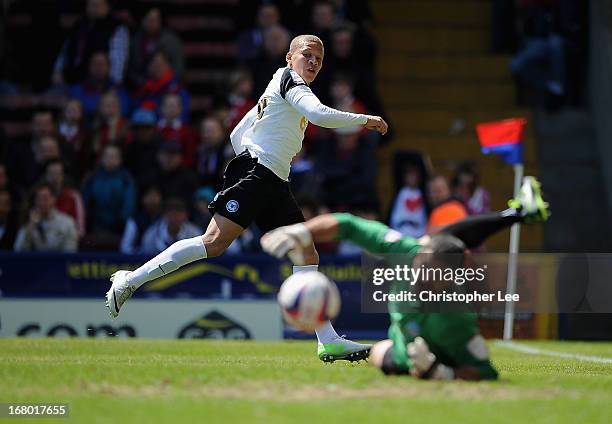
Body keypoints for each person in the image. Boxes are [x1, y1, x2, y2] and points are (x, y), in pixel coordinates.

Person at [106, 34, 388, 361]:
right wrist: (364, 119)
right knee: (214, 243)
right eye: (307, 55)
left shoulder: (280, 86)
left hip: (273, 179)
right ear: (289, 57)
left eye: (318, 60)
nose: (312, 63)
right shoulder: (289, 80)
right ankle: (130, 280)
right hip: (260, 175)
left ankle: (327, 339)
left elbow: (237, 133)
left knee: (307, 254)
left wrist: (256, 156)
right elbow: (320, 115)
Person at [261, 177, 550, 371]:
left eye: (427, 262)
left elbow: (483, 370)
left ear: (449, 279)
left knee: (394, 353)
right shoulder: (407, 252)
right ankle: (518, 213)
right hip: (403, 351)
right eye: (422, 256)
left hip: (434, 346)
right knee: (382, 353)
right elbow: (345, 224)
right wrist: (301, 231)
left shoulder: (456, 316)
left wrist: (439, 374)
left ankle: (518, 213)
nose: (419, 256)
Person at [52, 0, 129, 86]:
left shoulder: (117, 28)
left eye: (98, 5)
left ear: (108, 7)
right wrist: (57, 71)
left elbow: (118, 58)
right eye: (91, 5)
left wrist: (114, 83)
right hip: (71, 79)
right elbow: (65, 51)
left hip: (99, 83)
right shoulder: (79, 25)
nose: (94, 8)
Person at [128, 7, 185, 89]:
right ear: (143, 20)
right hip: (144, 88)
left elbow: (178, 68)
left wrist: (167, 83)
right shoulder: (135, 41)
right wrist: (144, 84)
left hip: (168, 86)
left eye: (155, 19)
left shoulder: (171, 40)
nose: (152, 22)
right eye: (149, 19)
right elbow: (132, 69)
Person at [14, 183, 78, 252]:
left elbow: (71, 252)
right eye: (38, 199)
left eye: (45, 198)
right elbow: (18, 250)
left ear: (53, 199)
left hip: (59, 262)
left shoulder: (67, 222)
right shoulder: (29, 222)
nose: (42, 203)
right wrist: (30, 227)